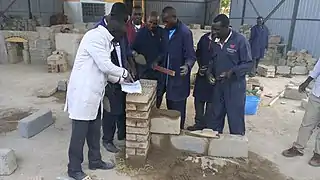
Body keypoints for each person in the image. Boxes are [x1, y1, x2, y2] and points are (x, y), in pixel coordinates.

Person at [64, 6, 134, 180]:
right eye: (118, 37)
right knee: (79, 134)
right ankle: (74, 169)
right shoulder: (94, 37)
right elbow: (105, 65)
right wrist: (124, 73)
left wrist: (120, 80)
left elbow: (103, 71)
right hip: (83, 93)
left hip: (95, 94)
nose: (118, 41)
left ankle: (95, 160)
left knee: (95, 130)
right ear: (113, 26)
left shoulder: (107, 38)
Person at [206, 14, 252, 135]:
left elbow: (248, 64)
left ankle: (237, 147)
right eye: (213, 29)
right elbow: (212, 60)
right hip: (218, 86)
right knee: (215, 117)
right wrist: (209, 72)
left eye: (217, 29)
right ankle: (213, 144)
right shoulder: (215, 42)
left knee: (235, 118)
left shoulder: (240, 41)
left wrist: (231, 72)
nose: (214, 32)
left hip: (234, 87)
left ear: (226, 28)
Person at [158, 6, 196, 129]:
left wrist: (187, 65)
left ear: (174, 18)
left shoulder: (185, 33)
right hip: (166, 78)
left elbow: (191, 56)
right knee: (170, 109)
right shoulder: (165, 32)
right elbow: (164, 52)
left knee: (178, 111)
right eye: (163, 21)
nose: (164, 24)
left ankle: (178, 132)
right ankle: (171, 132)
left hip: (178, 79)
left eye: (166, 21)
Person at [282, 59, 320, 167]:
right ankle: (298, 148)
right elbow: (318, 68)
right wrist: (306, 82)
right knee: (307, 122)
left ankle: (318, 154)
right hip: (317, 94)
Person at [131, 11, 165, 108]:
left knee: (158, 94)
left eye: (155, 23)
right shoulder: (141, 34)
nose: (152, 25)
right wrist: (136, 55)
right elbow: (133, 49)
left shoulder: (162, 33)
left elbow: (165, 50)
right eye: (150, 22)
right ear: (146, 21)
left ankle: (156, 110)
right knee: (145, 96)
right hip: (144, 71)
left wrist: (158, 60)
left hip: (158, 71)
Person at [187, 27, 215, 131]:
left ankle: (207, 125)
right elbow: (197, 54)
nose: (215, 32)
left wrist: (210, 71)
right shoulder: (204, 39)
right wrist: (201, 66)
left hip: (213, 76)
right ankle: (198, 123)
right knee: (198, 98)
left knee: (211, 100)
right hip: (202, 74)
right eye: (213, 29)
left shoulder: (221, 42)